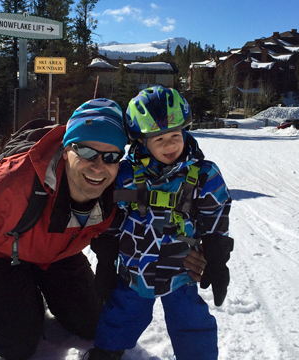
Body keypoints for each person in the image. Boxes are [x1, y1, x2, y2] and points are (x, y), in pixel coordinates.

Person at [0, 98, 130, 360]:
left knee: (94, 323)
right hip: (1, 254)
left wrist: (192, 253)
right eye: (86, 151)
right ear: (66, 150)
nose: (98, 166)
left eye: (110, 156)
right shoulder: (10, 183)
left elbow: (156, 220)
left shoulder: (118, 188)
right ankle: (19, 298)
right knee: (15, 346)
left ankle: (37, 289)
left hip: (58, 254)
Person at [87, 86, 234, 360]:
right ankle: (108, 349)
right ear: (141, 142)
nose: (170, 145)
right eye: (159, 138)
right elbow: (112, 218)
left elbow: (217, 217)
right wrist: (105, 260)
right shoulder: (126, 175)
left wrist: (217, 257)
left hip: (181, 267)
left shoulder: (203, 175)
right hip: (134, 266)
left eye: (175, 135)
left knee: (190, 319)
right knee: (123, 311)